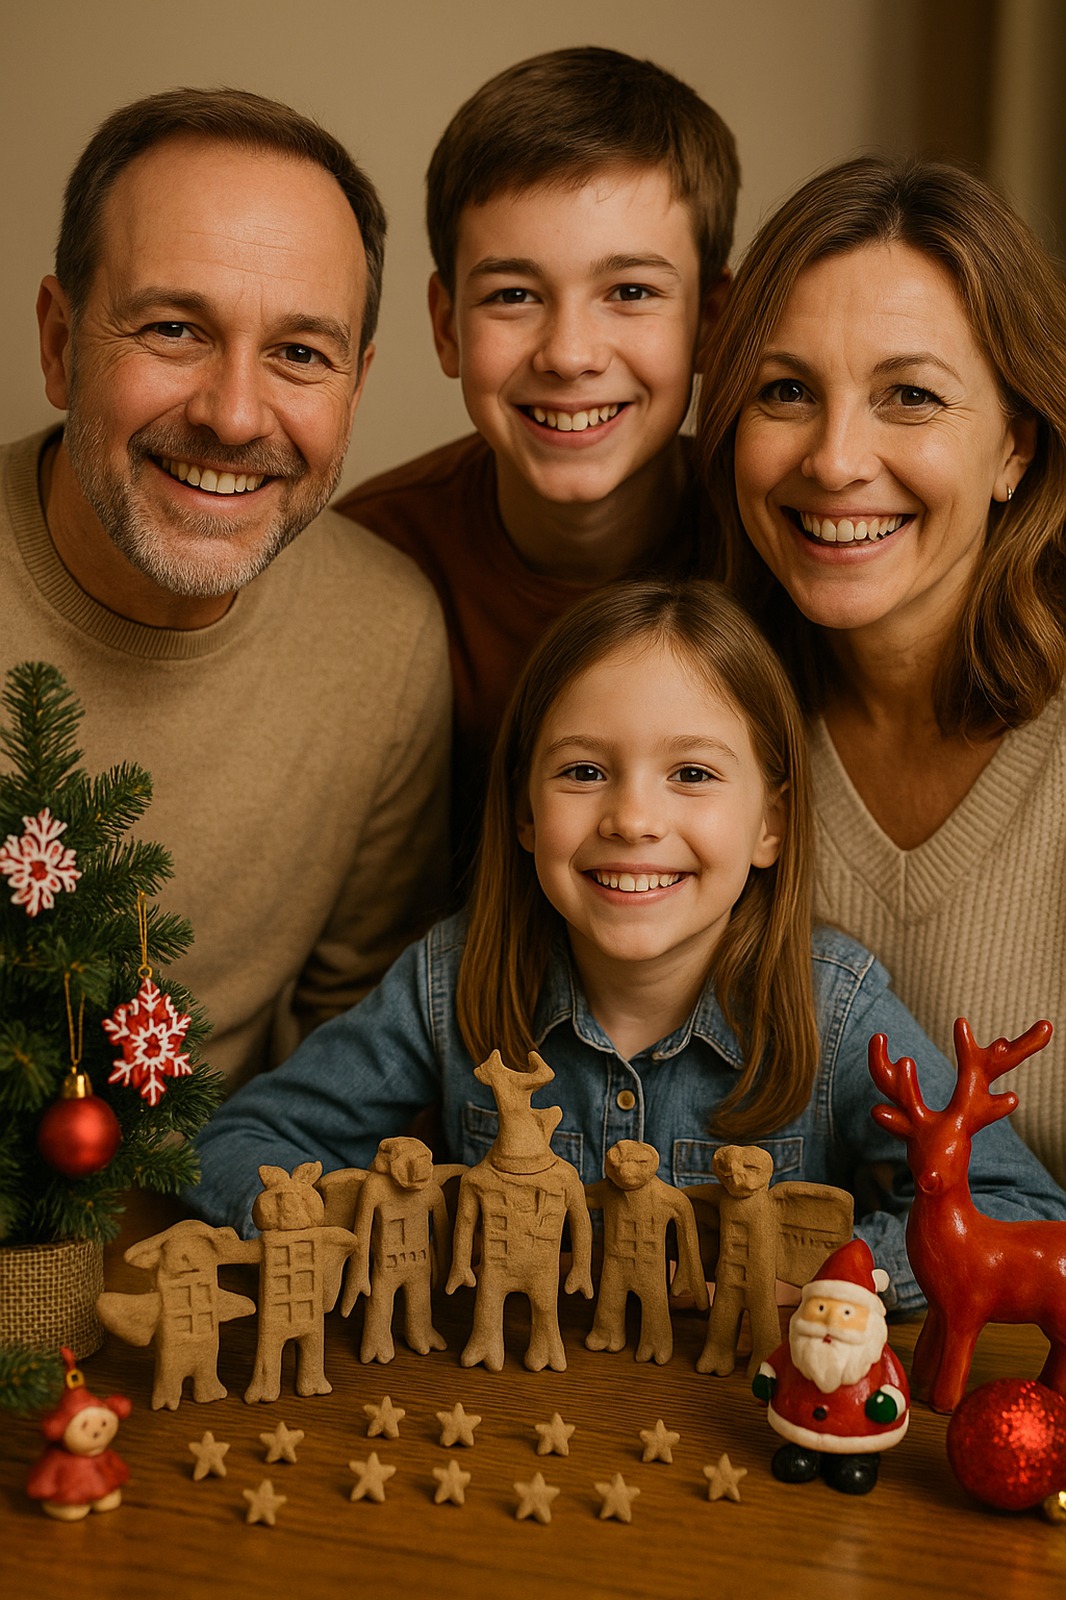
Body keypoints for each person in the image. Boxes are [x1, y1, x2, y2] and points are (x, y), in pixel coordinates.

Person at [188, 579, 1066, 1309]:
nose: (634, 819)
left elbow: (1018, 1206)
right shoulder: (450, 981)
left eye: (692, 773)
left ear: (770, 824)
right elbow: (239, 1142)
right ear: (526, 814)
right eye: (584, 771)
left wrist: (836, 1282)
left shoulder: (832, 1007)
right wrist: (389, 1235)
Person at [1, 88, 449, 1086]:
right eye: (173, 328)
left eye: (300, 353)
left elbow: (354, 1065)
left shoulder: (386, 634)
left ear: (355, 386)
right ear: (59, 343)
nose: (235, 414)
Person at [698, 156, 1066, 1186]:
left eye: (910, 395)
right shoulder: (691, 732)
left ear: (1014, 450)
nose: (834, 459)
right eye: (786, 391)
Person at [334, 47, 738, 881]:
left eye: (630, 292)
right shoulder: (365, 569)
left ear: (711, 321)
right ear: (446, 325)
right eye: (513, 295)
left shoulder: (776, 549)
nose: (569, 354)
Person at [752, 1239, 909, 1496]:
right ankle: (804, 1452)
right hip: (799, 1422)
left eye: (846, 1313)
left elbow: (895, 1380)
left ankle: (855, 1459)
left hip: (859, 1431)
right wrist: (767, 1380)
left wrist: (890, 1402)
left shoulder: (874, 1352)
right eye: (821, 1308)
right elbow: (776, 1363)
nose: (830, 1321)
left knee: (851, 1473)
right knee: (793, 1463)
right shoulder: (799, 1347)